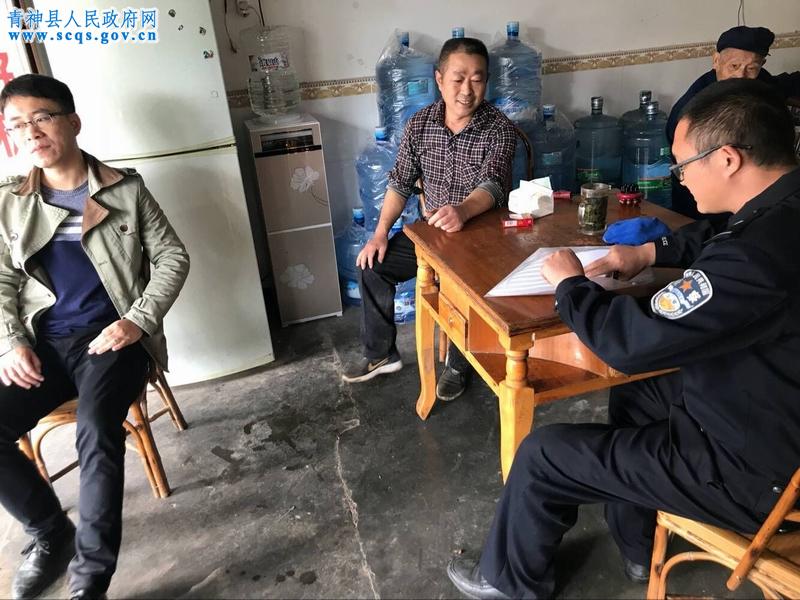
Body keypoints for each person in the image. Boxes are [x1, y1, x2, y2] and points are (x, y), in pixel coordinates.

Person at [446, 78, 800, 599]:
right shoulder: (781, 210)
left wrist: (569, 285)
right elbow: (723, 234)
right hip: (770, 401)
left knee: (545, 454)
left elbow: (630, 345)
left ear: (727, 159)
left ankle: (510, 581)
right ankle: (638, 545)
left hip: (752, 469)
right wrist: (651, 253)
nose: (680, 178)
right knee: (640, 394)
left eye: (683, 165)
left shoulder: (753, 258)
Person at [0, 74, 189, 599]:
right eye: (16, 125)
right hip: (43, 344)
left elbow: (173, 256)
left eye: (42, 118)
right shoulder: (10, 202)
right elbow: (3, 279)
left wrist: (138, 320)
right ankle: (50, 532)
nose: (31, 133)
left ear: (73, 122)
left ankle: (89, 581)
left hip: (113, 340)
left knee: (96, 428)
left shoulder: (125, 190)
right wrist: (11, 341)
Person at [342, 38, 516, 402]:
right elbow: (400, 182)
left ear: (487, 81)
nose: (467, 90)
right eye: (458, 78)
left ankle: (458, 364)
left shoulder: (498, 128)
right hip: (432, 235)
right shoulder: (420, 124)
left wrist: (463, 211)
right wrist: (379, 233)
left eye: (477, 79)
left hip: (481, 236)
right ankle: (381, 354)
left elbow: (494, 185)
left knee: (458, 285)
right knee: (372, 264)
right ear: (439, 79)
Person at [666, 25, 800, 218]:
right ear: (716, 61)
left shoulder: (756, 83)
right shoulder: (694, 108)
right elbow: (686, 169)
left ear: (761, 65)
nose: (741, 75)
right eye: (734, 66)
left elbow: (782, 85)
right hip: (701, 199)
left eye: (751, 68)